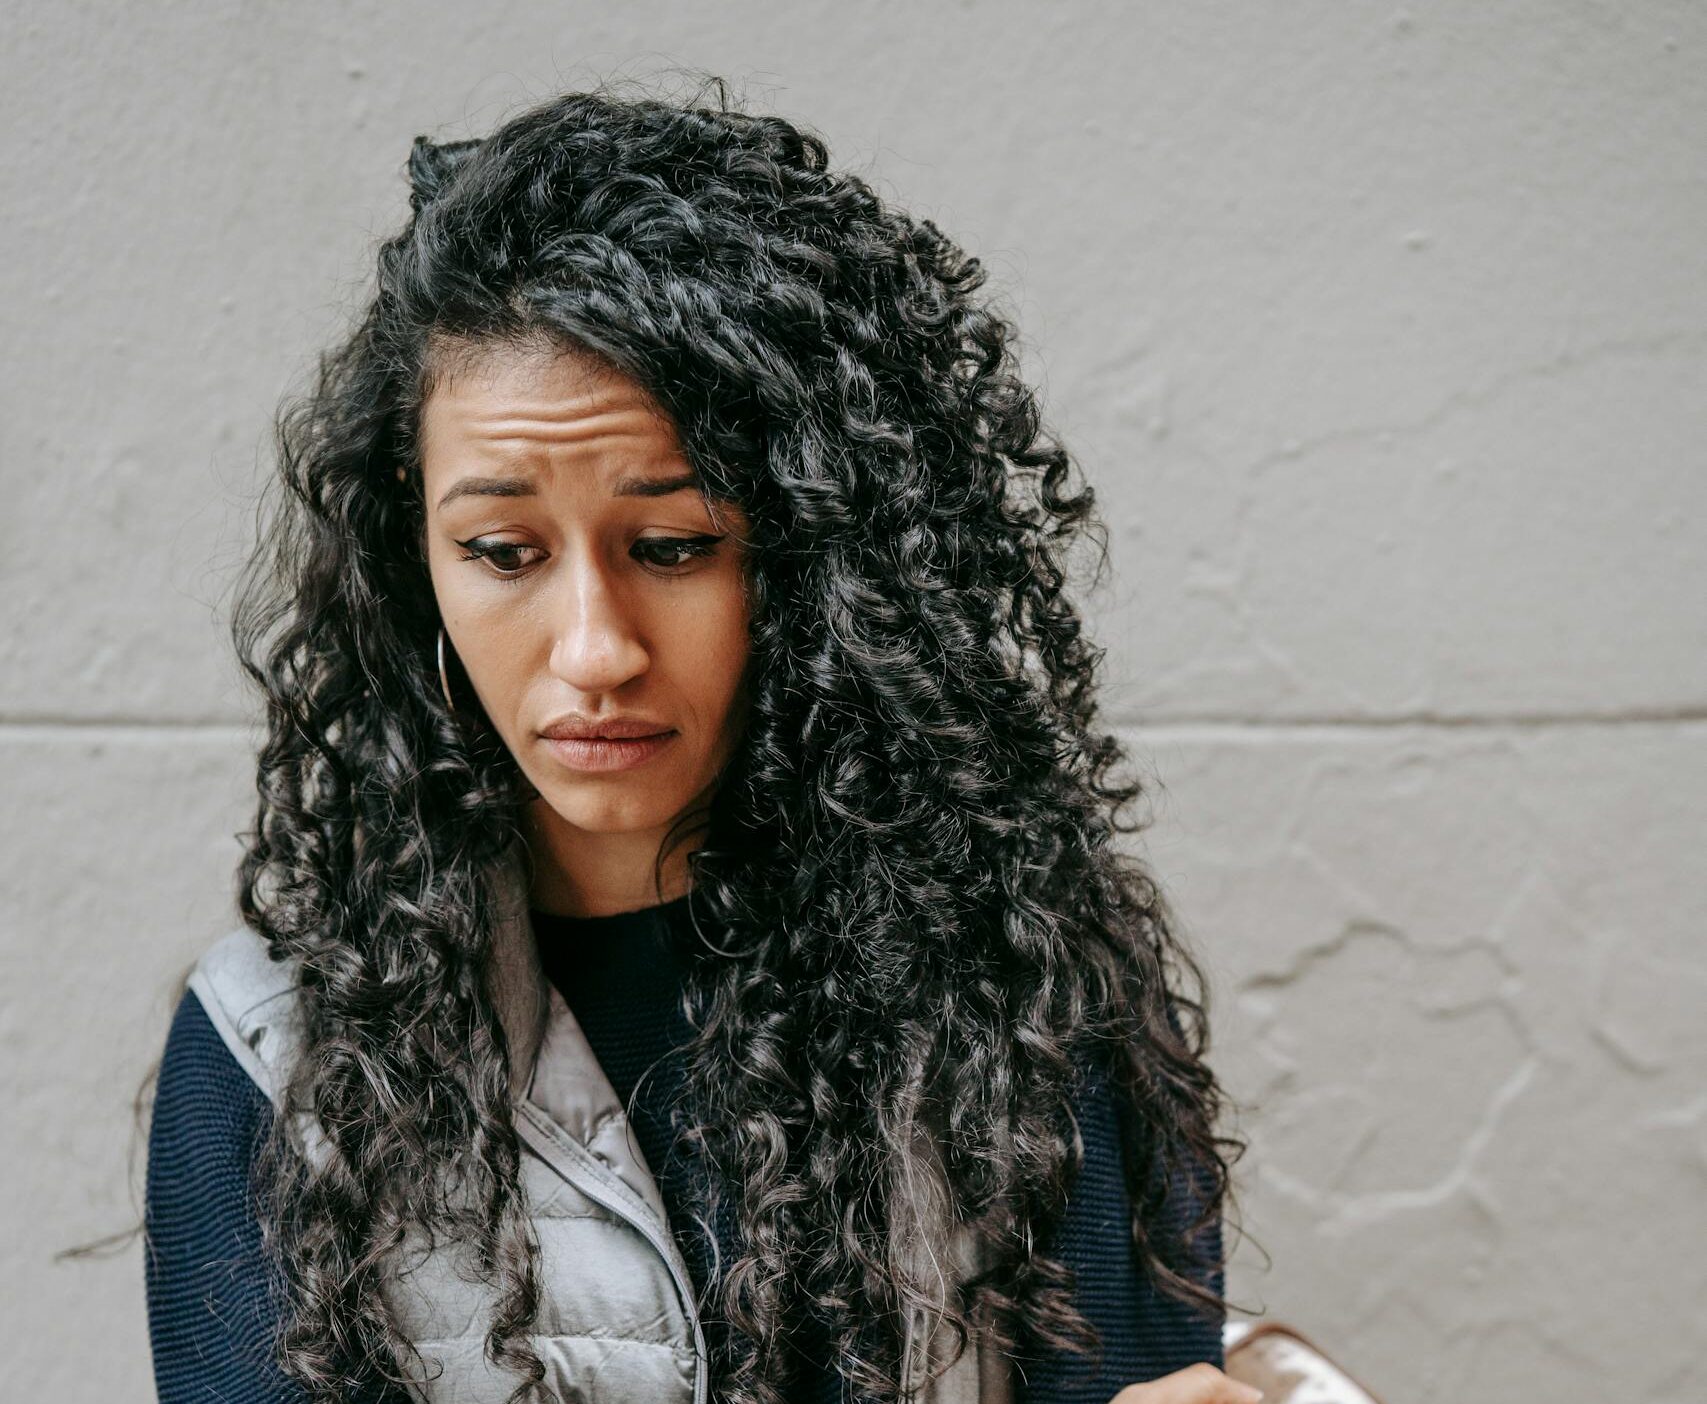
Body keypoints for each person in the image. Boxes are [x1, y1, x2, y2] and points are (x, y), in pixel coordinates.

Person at [142, 81, 1254, 1404]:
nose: (595, 648)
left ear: (807, 551)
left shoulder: (1020, 991)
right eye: (501, 552)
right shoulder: (276, 1054)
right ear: (410, 547)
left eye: (673, 547)